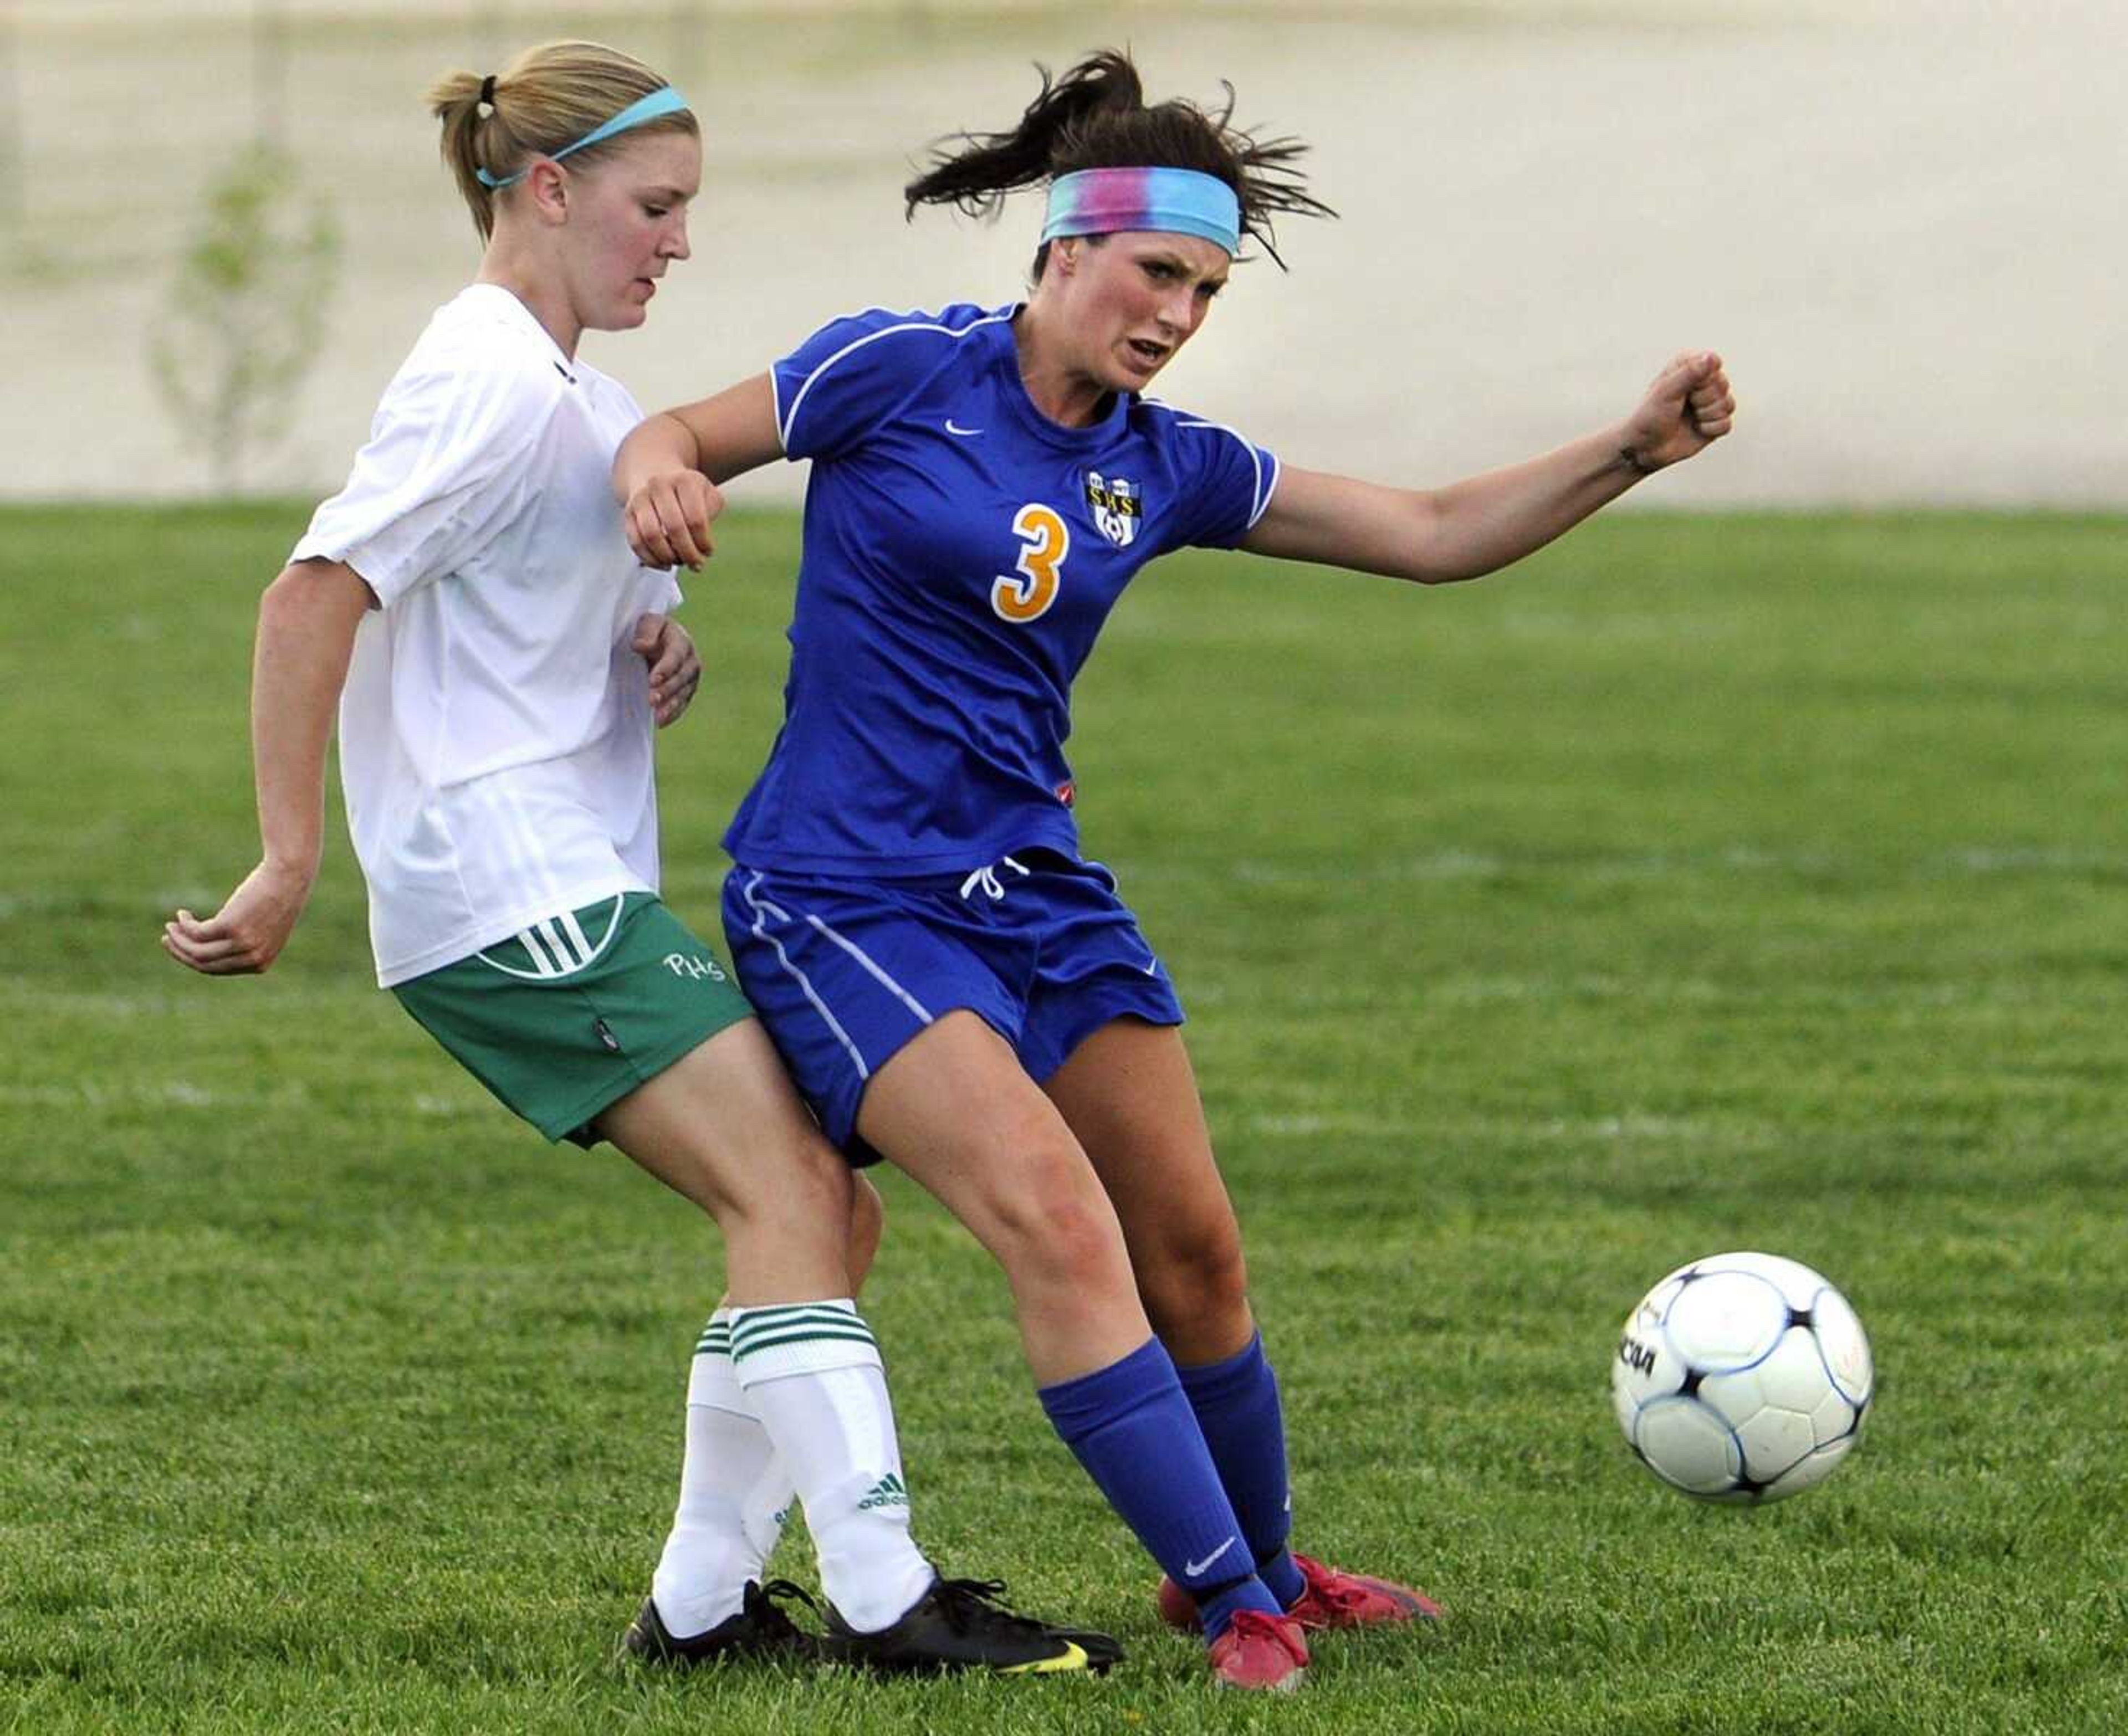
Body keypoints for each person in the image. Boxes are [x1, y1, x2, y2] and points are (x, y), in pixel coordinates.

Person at [613, 48, 1735, 1692]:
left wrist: (1628, 450)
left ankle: (1276, 1565)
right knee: (1059, 1227)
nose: (1176, 315)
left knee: (1196, 1249)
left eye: (1205, 290)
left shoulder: (1167, 463)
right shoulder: (893, 368)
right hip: (845, 897)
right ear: (1064, 249)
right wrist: (659, 467)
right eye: (1156, 274)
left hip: (1035, 891)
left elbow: (1423, 529)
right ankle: (1234, 1608)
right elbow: (676, 433)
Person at [160, 39, 1118, 1679]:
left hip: (566, 878)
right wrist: (288, 853)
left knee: (822, 1213)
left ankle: (698, 1611)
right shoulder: (480, 373)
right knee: (791, 1188)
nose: (678, 240)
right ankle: (887, 1597)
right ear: (545, 191)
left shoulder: (585, 399)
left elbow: (528, 595)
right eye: (654, 206)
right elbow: (313, 591)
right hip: (500, 884)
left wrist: (646, 650)